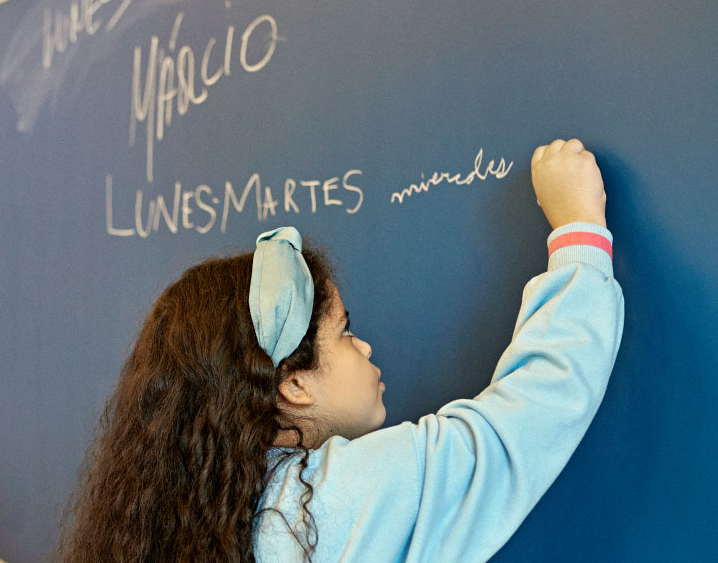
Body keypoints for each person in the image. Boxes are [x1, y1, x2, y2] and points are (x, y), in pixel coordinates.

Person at [57, 138, 623, 562]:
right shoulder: (322, 506)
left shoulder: (195, 515)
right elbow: (514, 430)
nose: (366, 346)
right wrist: (579, 232)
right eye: (346, 333)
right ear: (293, 383)